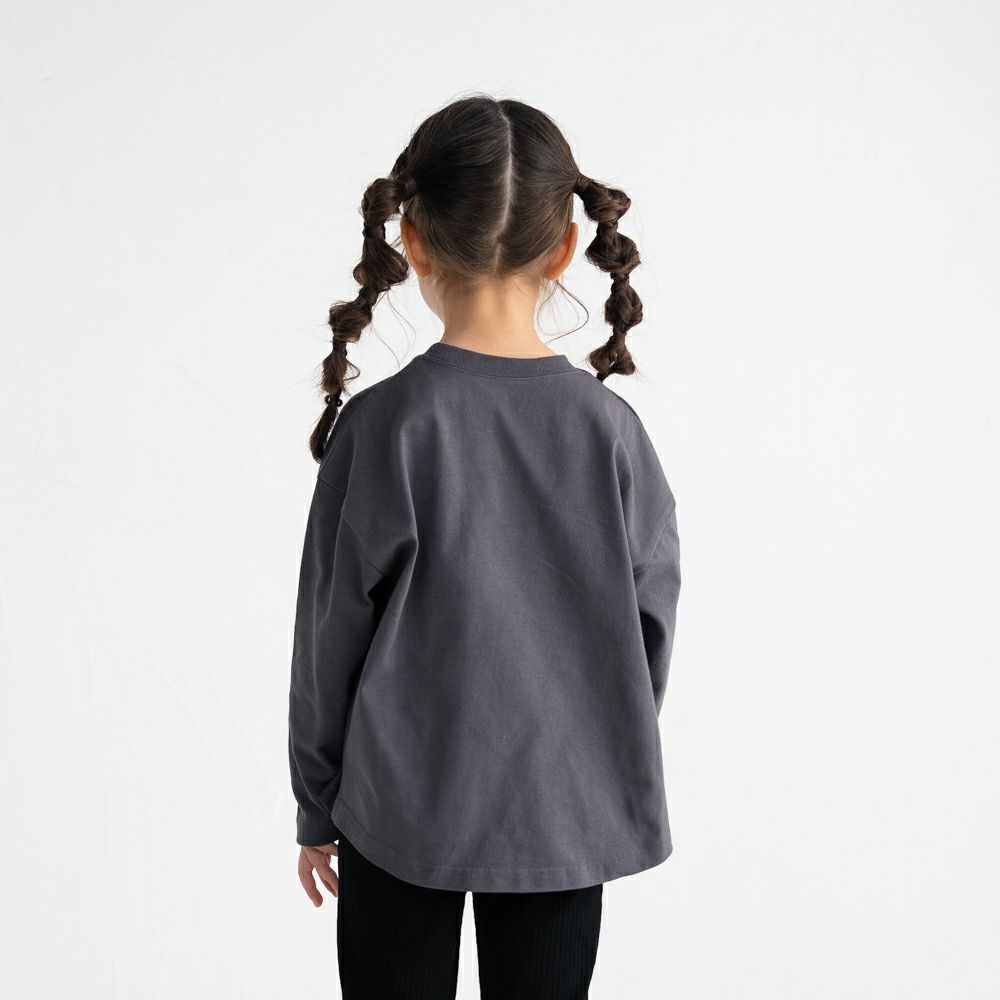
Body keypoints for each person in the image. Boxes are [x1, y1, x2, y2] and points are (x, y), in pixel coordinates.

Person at [287, 94, 682, 1000]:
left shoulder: (384, 427)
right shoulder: (610, 433)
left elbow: (328, 636)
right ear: (565, 249)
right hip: (561, 810)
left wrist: (317, 800)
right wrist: (593, 748)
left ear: (413, 242)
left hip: (395, 808)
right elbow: (650, 621)